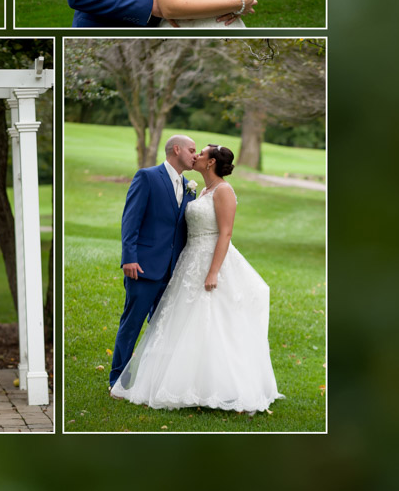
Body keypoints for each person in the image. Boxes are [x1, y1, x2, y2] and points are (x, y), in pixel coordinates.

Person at [113, 145, 282, 412]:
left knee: (213, 322)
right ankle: (157, 380)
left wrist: (214, 270)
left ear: (211, 162)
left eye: (201, 153)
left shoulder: (224, 191)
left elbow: (225, 234)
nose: (196, 156)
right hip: (187, 262)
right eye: (194, 151)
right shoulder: (200, 190)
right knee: (176, 323)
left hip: (210, 262)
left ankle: (218, 387)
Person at [107, 134, 197, 392]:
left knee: (162, 327)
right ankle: (117, 380)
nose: (195, 155)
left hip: (173, 270)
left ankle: (152, 380)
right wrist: (129, 259)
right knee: (132, 323)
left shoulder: (190, 186)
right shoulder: (147, 177)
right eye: (191, 150)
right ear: (176, 149)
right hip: (143, 268)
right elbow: (130, 220)